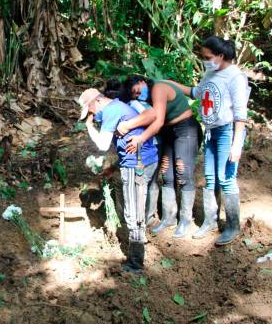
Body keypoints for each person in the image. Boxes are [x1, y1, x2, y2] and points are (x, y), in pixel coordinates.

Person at [169, 36, 249, 245]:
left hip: (227, 131)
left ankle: (232, 226)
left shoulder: (235, 78)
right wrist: (172, 85)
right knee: (210, 178)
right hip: (212, 131)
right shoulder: (211, 73)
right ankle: (210, 221)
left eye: (208, 57)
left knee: (226, 178)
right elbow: (196, 92)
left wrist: (236, 144)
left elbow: (240, 115)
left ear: (221, 56)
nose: (205, 60)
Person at [78, 88, 157, 272]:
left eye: (90, 110)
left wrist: (90, 126)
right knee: (134, 208)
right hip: (141, 160)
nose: (91, 114)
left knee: (133, 213)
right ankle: (137, 250)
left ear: (96, 102)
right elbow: (124, 141)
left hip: (136, 165)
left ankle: (136, 263)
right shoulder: (117, 107)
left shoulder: (112, 111)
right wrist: (114, 168)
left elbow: (102, 145)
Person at [118, 76, 202, 238]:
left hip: (186, 128)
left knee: (183, 173)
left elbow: (158, 120)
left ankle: (185, 220)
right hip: (169, 131)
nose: (137, 94)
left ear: (142, 81)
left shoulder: (158, 88)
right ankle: (169, 218)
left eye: (137, 90)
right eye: (134, 95)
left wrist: (140, 139)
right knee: (167, 174)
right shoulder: (149, 95)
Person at [104, 79, 161, 227]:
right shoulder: (123, 110)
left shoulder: (133, 106)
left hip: (147, 149)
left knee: (143, 188)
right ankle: (136, 221)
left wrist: (136, 133)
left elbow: (152, 116)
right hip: (143, 151)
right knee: (140, 187)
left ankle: (142, 221)